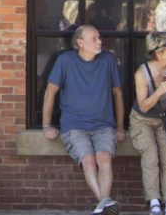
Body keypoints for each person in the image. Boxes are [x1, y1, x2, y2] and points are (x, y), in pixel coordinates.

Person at [43, 25, 125, 215]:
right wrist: (47, 124)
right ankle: (104, 202)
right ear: (80, 43)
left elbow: (118, 94)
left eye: (99, 37)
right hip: (74, 125)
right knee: (88, 160)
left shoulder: (108, 59)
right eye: (94, 38)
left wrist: (120, 127)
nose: (100, 41)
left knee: (104, 158)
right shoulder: (65, 60)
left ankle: (101, 207)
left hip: (103, 124)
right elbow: (50, 92)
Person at [129, 33, 166, 215]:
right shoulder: (141, 73)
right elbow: (143, 105)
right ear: (159, 52)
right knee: (150, 157)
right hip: (142, 119)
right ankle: (154, 203)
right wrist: (159, 91)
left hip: (164, 118)